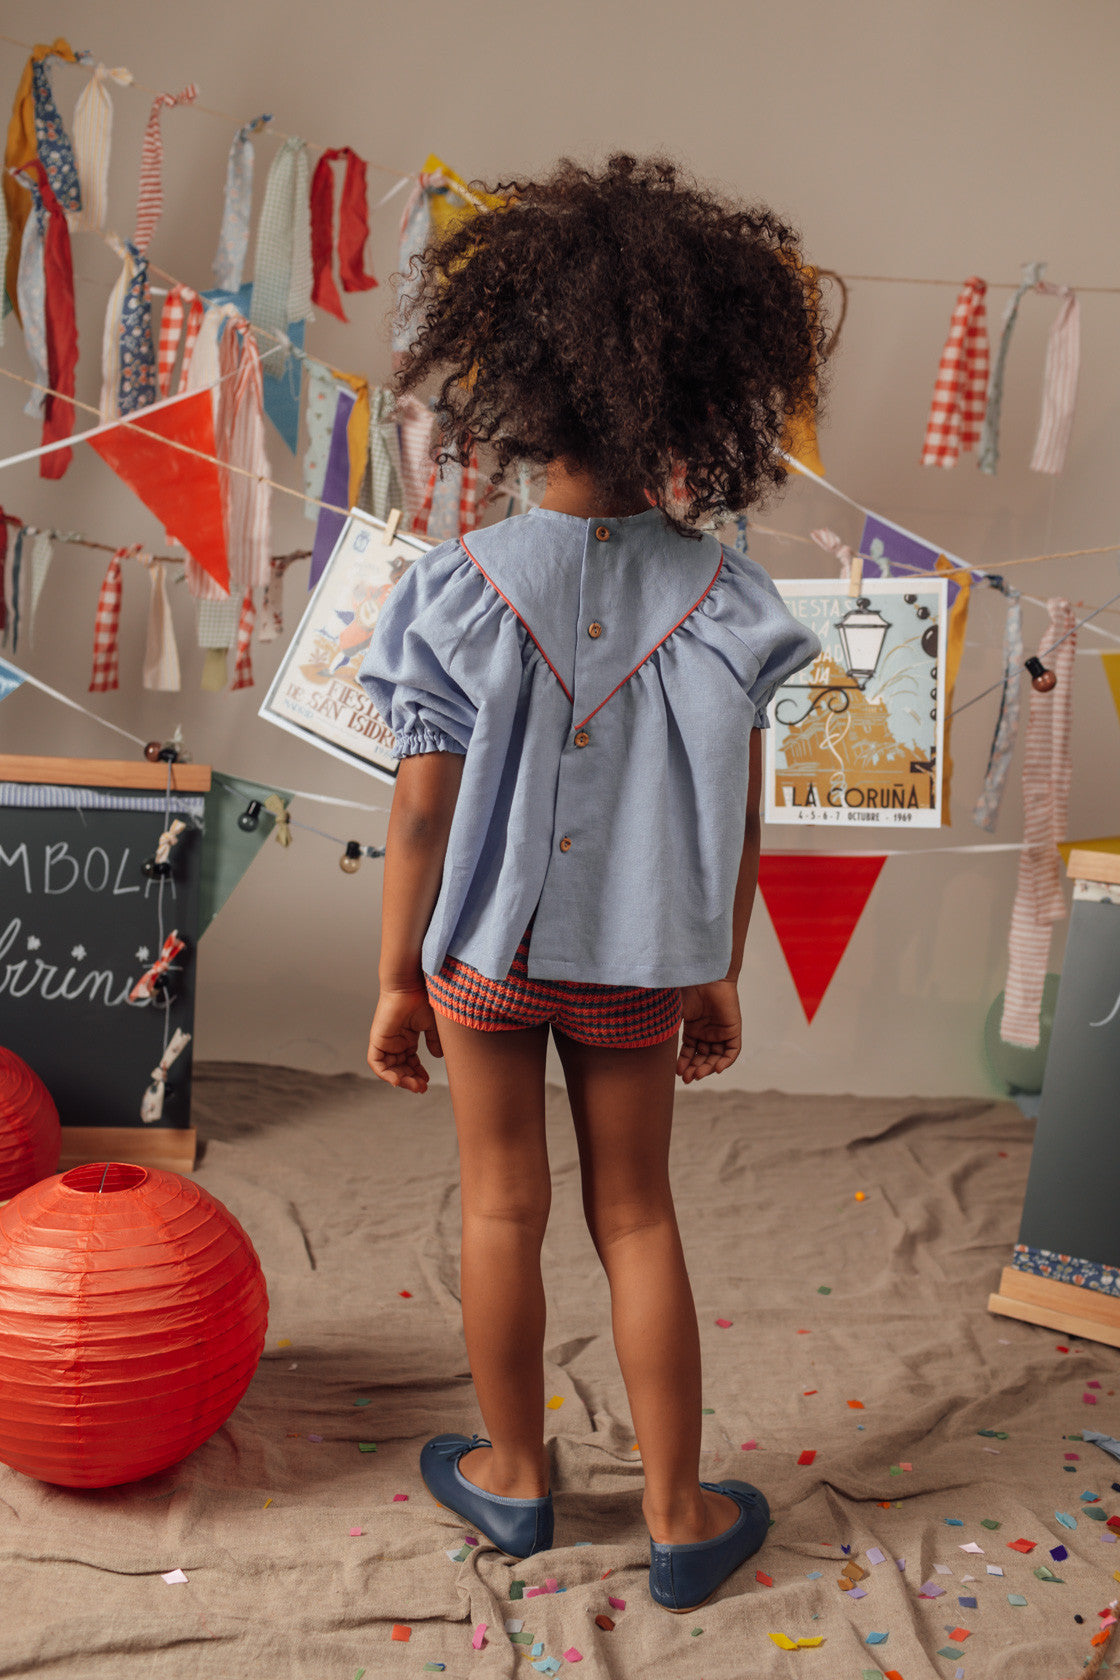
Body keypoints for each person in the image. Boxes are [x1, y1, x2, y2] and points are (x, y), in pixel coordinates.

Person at [358, 153, 824, 1613]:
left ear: (515, 377)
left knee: (501, 1210)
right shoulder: (729, 596)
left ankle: (512, 1478)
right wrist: (720, 965)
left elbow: (421, 819)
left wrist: (393, 975)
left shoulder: (457, 586)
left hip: (484, 950)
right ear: (697, 395)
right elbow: (736, 820)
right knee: (640, 1215)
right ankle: (683, 1512)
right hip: (644, 964)